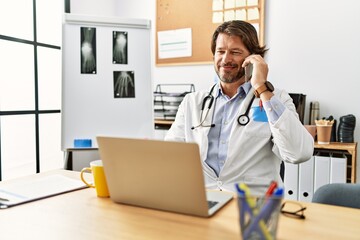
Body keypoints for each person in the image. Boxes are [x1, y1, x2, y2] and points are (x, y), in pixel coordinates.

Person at [165, 20, 314, 194]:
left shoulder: (276, 99)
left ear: (254, 58)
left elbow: (299, 152)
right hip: (204, 200)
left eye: (235, 52)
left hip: (254, 205)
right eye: (220, 51)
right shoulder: (192, 102)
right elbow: (171, 155)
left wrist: (261, 87)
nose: (225, 59)